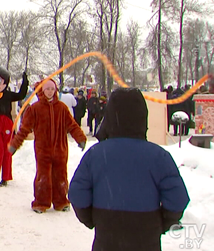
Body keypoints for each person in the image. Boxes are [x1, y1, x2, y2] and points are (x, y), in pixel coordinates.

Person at [69, 88, 190, 251]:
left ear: (110, 116)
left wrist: (92, 219)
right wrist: (161, 223)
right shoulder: (158, 156)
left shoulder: (96, 154)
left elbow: (77, 193)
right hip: (146, 236)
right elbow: (178, 199)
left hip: (107, 234)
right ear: (142, 117)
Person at [9, 78, 87, 213]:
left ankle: (61, 201)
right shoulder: (35, 109)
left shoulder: (62, 108)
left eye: (52, 89)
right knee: (43, 176)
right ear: (42, 91)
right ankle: (41, 202)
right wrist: (14, 144)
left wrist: (80, 138)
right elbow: (24, 129)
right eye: (47, 89)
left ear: (55, 90)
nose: (50, 92)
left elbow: (72, 125)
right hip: (42, 149)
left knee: (60, 176)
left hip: (60, 149)